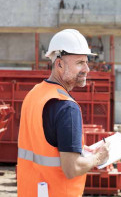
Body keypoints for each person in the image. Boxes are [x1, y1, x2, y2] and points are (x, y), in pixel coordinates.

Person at [17, 29, 110, 197]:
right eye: (80, 62)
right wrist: (99, 158)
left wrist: (79, 151)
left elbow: (45, 146)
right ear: (59, 64)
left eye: (86, 62)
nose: (87, 69)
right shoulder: (67, 107)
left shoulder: (34, 94)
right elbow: (72, 168)